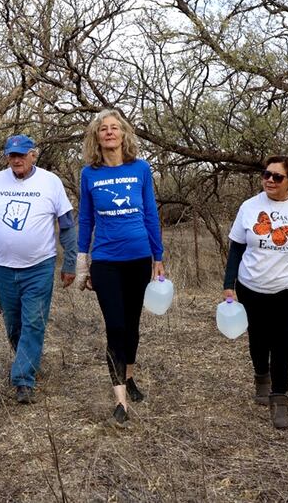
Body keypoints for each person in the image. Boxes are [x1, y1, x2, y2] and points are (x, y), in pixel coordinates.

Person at [222, 156, 288, 429]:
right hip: (251, 286)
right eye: (266, 174)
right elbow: (236, 248)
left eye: (277, 177)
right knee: (258, 338)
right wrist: (229, 285)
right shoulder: (249, 207)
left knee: (282, 340)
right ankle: (261, 376)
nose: (270, 180)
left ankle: (279, 398)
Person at [75, 109, 165, 427]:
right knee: (115, 327)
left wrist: (159, 257)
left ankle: (129, 378)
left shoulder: (140, 169)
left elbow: (151, 214)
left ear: (124, 135)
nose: (110, 133)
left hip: (139, 258)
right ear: (96, 138)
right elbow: (85, 220)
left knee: (132, 326)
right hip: (106, 262)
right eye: (104, 129)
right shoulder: (90, 174)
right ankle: (120, 402)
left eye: (115, 128)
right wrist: (82, 263)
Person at [0, 134, 77, 404]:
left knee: (33, 322)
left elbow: (66, 225)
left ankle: (23, 380)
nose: (16, 160)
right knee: (14, 325)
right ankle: (27, 358)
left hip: (39, 267)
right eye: (12, 155)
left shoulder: (50, 182)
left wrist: (70, 262)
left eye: (22, 155)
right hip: (4, 268)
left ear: (34, 154)